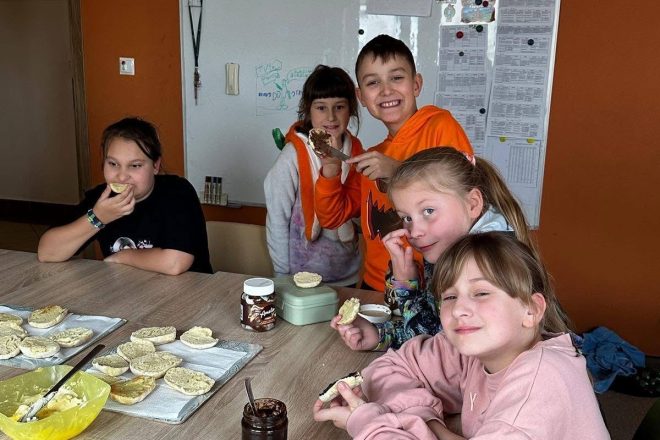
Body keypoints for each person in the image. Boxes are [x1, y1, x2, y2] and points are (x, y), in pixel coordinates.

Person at [314, 233, 610, 439]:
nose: (459, 310)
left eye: (481, 293)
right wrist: (424, 419)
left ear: (531, 310)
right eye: (450, 297)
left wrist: (366, 421)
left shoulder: (541, 381)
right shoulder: (481, 348)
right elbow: (389, 367)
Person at [333, 147, 542, 351]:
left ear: (472, 204)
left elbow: (442, 348)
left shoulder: (484, 262)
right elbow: (432, 327)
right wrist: (379, 335)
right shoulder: (447, 245)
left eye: (428, 211)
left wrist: (406, 287)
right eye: (406, 218)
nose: (415, 231)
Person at [315, 34, 473, 292]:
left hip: (431, 289)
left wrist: (398, 171)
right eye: (373, 82)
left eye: (396, 78)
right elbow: (332, 217)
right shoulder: (373, 157)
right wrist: (331, 170)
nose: (386, 90)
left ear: (416, 84)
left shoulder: (440, 127)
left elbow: (465, 199)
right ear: (361, 96)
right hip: (375, 285)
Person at [38, 117, 212, 275]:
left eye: (135, 166)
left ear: (155, 165)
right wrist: (98, 217)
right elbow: (47, 252)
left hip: (189, 294)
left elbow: (175, 263)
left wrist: (123, 257)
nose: (121, 177)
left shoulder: (178, 192)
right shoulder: (102, 199)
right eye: (113, 164)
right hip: (125, 293)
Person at [264, 65, 363, 285]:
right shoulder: (292, 156)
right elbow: (277, 217)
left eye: (339, 107)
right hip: (300, 278)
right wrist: (281, 273)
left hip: (346, 275)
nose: (331, 116)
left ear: (351, 109)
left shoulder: (356, 151)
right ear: (308, 110)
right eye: (321, 108)